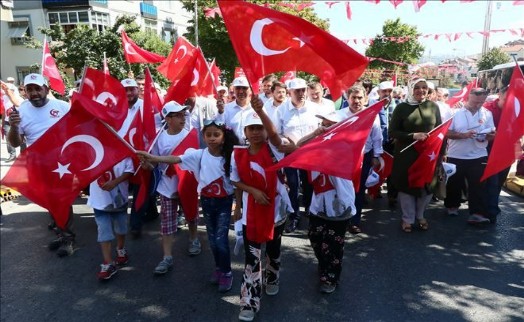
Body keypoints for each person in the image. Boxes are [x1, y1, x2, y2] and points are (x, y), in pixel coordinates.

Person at [138, 117, 239, 292]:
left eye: (216, 134)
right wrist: (152, 157)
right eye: (208, 135)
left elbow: (237, 183)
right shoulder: (198, 155)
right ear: (203, 137)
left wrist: (238, 207)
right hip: (207, 202)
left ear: (223, 136)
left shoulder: (230, 157)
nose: (212, 138)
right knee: (213, 241)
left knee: (221, 240)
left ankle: (227, 272)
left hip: (224, 203)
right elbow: (175, 159)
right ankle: (218, 268)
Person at [231, 97, 293, 322]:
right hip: (251, 214)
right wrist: (249, 195)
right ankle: (249, 301)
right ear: (245, 132)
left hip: (276, 212)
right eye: (251, 129)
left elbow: (276, 138)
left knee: (273, 249)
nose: (256, 132)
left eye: (260, 128)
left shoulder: (276, 150)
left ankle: (273, 277)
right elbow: (234, 180)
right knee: (252, 257)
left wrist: (261, 112)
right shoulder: (237, 153)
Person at [7, 73, 74, 256]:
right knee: (50, 202)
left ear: (47, 89)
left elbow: (77, 131)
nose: (34, 93)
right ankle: (61, 234)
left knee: (62, 201)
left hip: (62, 165)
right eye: (30, 89)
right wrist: (13, 127)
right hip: (39, 166)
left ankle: (67, 239)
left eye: (38, 88)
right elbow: (14, 143)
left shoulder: (63, 106)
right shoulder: (20, 112)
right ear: (25, 92)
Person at [296, 110, 356, 294]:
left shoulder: (345, 146)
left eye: (331, 124)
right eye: (324, 123)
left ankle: (331, 277)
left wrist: (327, 142)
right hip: (319, 201)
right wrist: (316, 135)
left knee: (334, 243)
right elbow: (298, 147)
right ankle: (324, 264)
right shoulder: (319, 142)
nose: (326, 127)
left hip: (338, 203)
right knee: (315, 236)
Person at [139, 102, 202, 275]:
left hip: (186, 184)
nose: (183, 118)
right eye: (178, 115)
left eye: (183, 114)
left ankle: (194, 238)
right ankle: (167, 257)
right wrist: (147, 165)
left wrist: (156, 160)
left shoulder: (190, 135)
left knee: (191, 213)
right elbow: (154, 165)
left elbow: (191, 161)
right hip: (166, 187)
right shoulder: (159, 138)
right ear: (168, 118)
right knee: (167, 223)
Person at [389, 78, 442, 232]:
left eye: (424, 87)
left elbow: (439, 130)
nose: (421, 90)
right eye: (417, 87)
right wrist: (413, 135)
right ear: (411, 89)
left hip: (428, 154)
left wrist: (442, 152)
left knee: (426, 186)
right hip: (407, 155)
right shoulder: (402, 108)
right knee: (407, 186)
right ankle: (407, 219)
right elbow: (392, 132)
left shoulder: (433, 107)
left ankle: (420, 216)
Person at [444, 88, 495, 224]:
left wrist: (487, 136)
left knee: (478, 185)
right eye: (475, 102)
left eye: (481, 102)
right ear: (468, 98)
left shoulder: (487, 113)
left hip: (479, 154)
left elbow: (492, 133)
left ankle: (477, 213)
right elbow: (446, 133)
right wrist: (463, 135)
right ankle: (452, 206)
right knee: (454, 183)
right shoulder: (454, 112)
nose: (478, 105)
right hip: (456, 155)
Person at [278, 78, 321, 233]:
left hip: (311, 154)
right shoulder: (282, 110)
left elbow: (322, 128)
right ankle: (294, 215)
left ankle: (309, 210)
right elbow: (277, 133)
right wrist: (287, 143)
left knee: (309, 183)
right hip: (290, 154)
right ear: (290, 92)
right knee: (293, 185)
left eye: (303, 90)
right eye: (297, 91)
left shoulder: (314, 108)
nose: (301, 93)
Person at [338, 85, 382, 234]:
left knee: (359, 189)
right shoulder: (339, 115)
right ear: (347, 98)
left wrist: (376, 156)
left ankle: (354, 221)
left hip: (365, 156)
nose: (356, 101)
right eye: (353, 98)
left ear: (365, 99)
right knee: (343, 188)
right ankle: (342, 219)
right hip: (343, 158)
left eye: (359, 98)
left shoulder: (372, 115)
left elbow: (377, 138)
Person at [119, 78, 159, 238]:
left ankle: (135, 224)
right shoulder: (115, 107)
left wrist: (150, 155)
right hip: (122, 154)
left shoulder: (147, 107)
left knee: (140, 187)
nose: (128, 93)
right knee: (124, 186)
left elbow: (154, 131)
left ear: (137, 90)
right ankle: (152, 211)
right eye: (125, 90)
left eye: (132, 89)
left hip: (142, 153)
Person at [87, 158, 134, 281]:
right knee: (104, 231)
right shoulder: (91, 150)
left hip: (119, 200)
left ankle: (120, 248)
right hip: (99, 201)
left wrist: (115, 182)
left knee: (121, 228)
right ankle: (108, 263)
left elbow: (129, 171)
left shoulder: (123, 153)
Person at [483, 86, 509, 224]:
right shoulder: (487, 109)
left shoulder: (517, 109)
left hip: (507, 151)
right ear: (500, 94)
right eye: (507, 98)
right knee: (492, 181)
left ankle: (491, 205)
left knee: (499, 181)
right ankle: (490, 211)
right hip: (489, 150)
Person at [216, 77, 253, 144]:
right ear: (234, 90)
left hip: (252, 149)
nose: (241, 91)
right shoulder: (226, 109)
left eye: (244, 88)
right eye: (238, 88)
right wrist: (220, 112)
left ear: (250, 90)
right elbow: (219, 128)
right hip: (232, 149)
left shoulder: (257, 109)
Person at [1, 80, 22, 162]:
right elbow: (3, 112)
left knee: (22, 140)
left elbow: (18, 105)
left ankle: (23, 154)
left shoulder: (19, 99)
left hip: (19, 122)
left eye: (10, 90)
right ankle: (12, 155)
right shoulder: (4, 100)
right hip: (7, 122)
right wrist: (3, 124)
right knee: (8, 139)